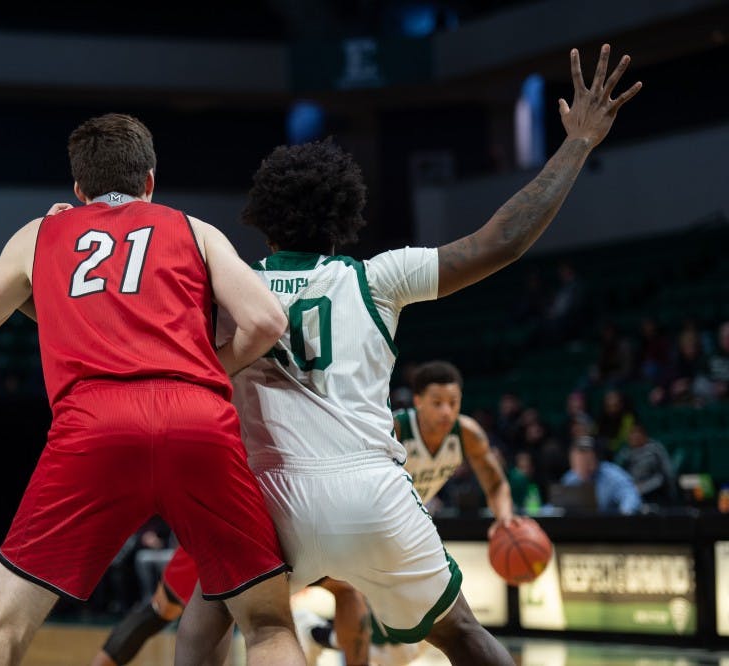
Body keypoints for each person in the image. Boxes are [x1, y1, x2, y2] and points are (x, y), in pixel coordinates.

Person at [176, 44, 641, 666]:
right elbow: (500, 241)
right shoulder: (377, 278)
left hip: (272, 498)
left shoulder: (233, 286)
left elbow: (127, 326)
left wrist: (11, 277)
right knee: (465, 637)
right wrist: (577, 143)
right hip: (372, 492)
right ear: (345, 216)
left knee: (208, 626)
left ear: (264, 219)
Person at [0, 113, 304, 666]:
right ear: (151, 180)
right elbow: (267, 322)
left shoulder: (42, 232)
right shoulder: (194, 228)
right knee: (269, 625)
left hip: (93, 427)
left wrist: (3, 273)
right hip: (197, 418)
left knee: (4, 630)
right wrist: (206, 367)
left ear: (78, 188)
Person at [298, 361, 517, 665]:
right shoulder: (395, 429)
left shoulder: (466, 434)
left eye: (453, 403)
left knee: (402, 644)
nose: (446, 412)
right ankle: (319, 635)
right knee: (362, 604)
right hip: (365, 520)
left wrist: (504, 518)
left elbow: (495, 484)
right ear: (417, 401)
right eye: (437, 403)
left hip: (403, 527)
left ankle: (316, 634)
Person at [561, 435, 642, 514]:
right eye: (578, 462)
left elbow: (630, 496)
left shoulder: (612, 475)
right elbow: (556, 506)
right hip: (579, 525)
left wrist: (625, 515)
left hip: (610, 525)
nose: (583, 466)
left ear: (597, 458)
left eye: (587, 461)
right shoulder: (570, 478)